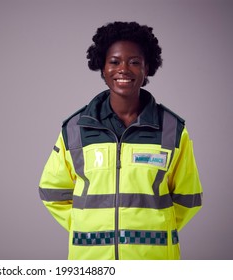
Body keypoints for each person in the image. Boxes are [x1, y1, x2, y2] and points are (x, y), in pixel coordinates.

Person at [38, 21, 203, 260]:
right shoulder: (75, 129)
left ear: (147, 68)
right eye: (114, 62)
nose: (123, 69)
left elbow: (188, 197)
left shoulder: (172, 129)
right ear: (102, 68)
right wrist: (87, 224)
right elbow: (52, 191)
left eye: (134, 62)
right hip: (91, 261)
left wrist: (157, 227)